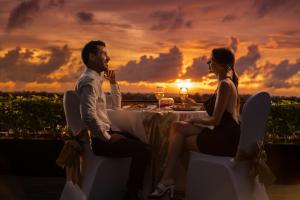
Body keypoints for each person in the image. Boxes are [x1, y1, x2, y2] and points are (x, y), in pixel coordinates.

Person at [149, 48, 241, 199]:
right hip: (224, 133)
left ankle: (169, 178)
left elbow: (215, 120)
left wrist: (193, 119)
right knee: (177, 128)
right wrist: (196, 104)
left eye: (211, 60)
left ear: (221, 64)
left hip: (225, 139)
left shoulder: (225, 85)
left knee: (179, 138)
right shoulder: (226, 83)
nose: (208, 62)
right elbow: (219, 112)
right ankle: (172, 180)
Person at [75, 40, 150, 200]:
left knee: (143, 144)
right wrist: (107, 137)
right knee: (143, 150)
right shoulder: (89, 82)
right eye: (104, 53)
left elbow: (116, 106)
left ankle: (133, 191)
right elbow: (87, 115)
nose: (108, 58)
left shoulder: (95, 80)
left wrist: (114, 83)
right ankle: (131, 194)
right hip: (100, 141)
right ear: (92, 56)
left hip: (103, 135)